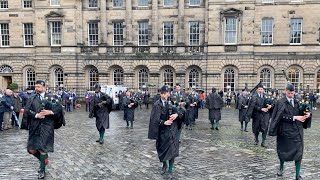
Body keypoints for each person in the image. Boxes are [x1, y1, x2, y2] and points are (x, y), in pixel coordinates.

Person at [269, 84, 311, 180]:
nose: (290, 94)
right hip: (284, 131)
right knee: (283, 152)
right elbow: (278, 116)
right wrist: (294, 117)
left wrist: (308, 114)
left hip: (297, 131)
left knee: (299, 153)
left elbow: (304, 111)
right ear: (285, 91)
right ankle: (281, 167)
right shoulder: (280, 102)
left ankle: (297, 175)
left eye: (292, 93)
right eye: (289, 92)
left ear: (294, 92)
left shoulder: (297, 101)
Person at [22, 80, 63, 179]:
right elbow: (27, 111)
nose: (36, 88)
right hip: (34, 126)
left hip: (46, 126)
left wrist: (50, 112)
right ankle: (43, 160)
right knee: (31, 149)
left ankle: (42, 169)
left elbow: (59, 110)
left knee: (42, 149)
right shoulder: (32, 97)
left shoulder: (52, 97)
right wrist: (36, 115)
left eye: (38, 86)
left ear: (44, 87)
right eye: (35, 86)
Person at [148, 85, 182, 180]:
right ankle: (164, 165)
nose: (167, 95)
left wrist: (176, 114)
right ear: (161, 94)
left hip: (172, 131)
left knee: (172, 150)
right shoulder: (156, 105)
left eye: (167, 93)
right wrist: (164, 122)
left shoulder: (171, 103)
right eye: (165, 93)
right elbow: (154, 120)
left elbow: (182, 111)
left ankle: (170, 170)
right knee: (162, 150)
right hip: (162, 131)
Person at [245, 83, 272, 147]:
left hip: (265, 115)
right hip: (256, 115)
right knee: (256, 128)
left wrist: (270, 106)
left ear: (263, 90)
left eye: (261, 89)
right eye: (259, 89)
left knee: (265, 128)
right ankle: (256, 140)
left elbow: (272, 103)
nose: (260, 90)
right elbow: (252, 106)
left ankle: (263, 142)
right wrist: (260, 109)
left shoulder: (267, 96)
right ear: (257, 90)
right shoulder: (254, 97)